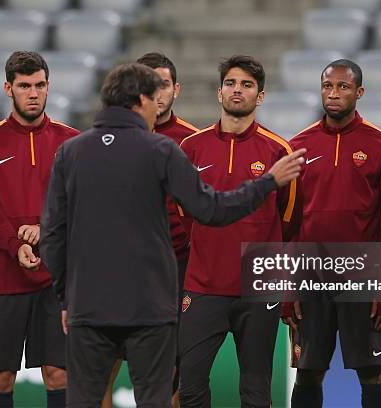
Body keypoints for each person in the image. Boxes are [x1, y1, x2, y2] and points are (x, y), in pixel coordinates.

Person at [39, 62, 306, 407]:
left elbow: (53, 236)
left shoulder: (70, 152)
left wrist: (65, 296)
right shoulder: (161, 150)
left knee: (86, 398)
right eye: (155, 97)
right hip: (150, 306)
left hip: (87, 304)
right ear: (140, 100)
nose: (160, 106)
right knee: (156, 396)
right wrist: (267, 183)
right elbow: (211, 210)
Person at [176, 55, 301, 408]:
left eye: (247, 85)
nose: (237, 90)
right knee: (191, 385)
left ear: (260, 97)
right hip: (202, 284)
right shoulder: (192, 148)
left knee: (257, 391)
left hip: (258, 287)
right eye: (231, 83)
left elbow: (289, 219)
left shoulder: (278, 150)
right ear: (219, 92)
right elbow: (186, 213)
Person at [282, 59, 381, 408]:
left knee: (372, 371)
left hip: (362, 279)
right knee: (308, 371)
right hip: (311, 279)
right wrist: (288, 291)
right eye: (327, 86)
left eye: (343, 87)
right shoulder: (298, 146)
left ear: (359, 92)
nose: (333, 94)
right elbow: (287, 226)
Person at [0, 51, 79, 408]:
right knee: (0, 378)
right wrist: (17, 245)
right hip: (3, 276)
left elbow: (78, 206)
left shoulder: (72, 142)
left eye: (40, 85)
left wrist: (43, 229)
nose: (33, 93)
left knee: (59, 373)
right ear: (8, 88)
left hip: (57, 277)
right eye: (25, 86)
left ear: (48, 87)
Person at [136, 51, 198, 407]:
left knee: (175, 364)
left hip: (178, 264)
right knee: (109, 358)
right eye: (149, 84)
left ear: (176, 89)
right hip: (126, 266)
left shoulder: (192, 141)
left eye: (163, 84)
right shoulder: (111, 137)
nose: (157, 93)